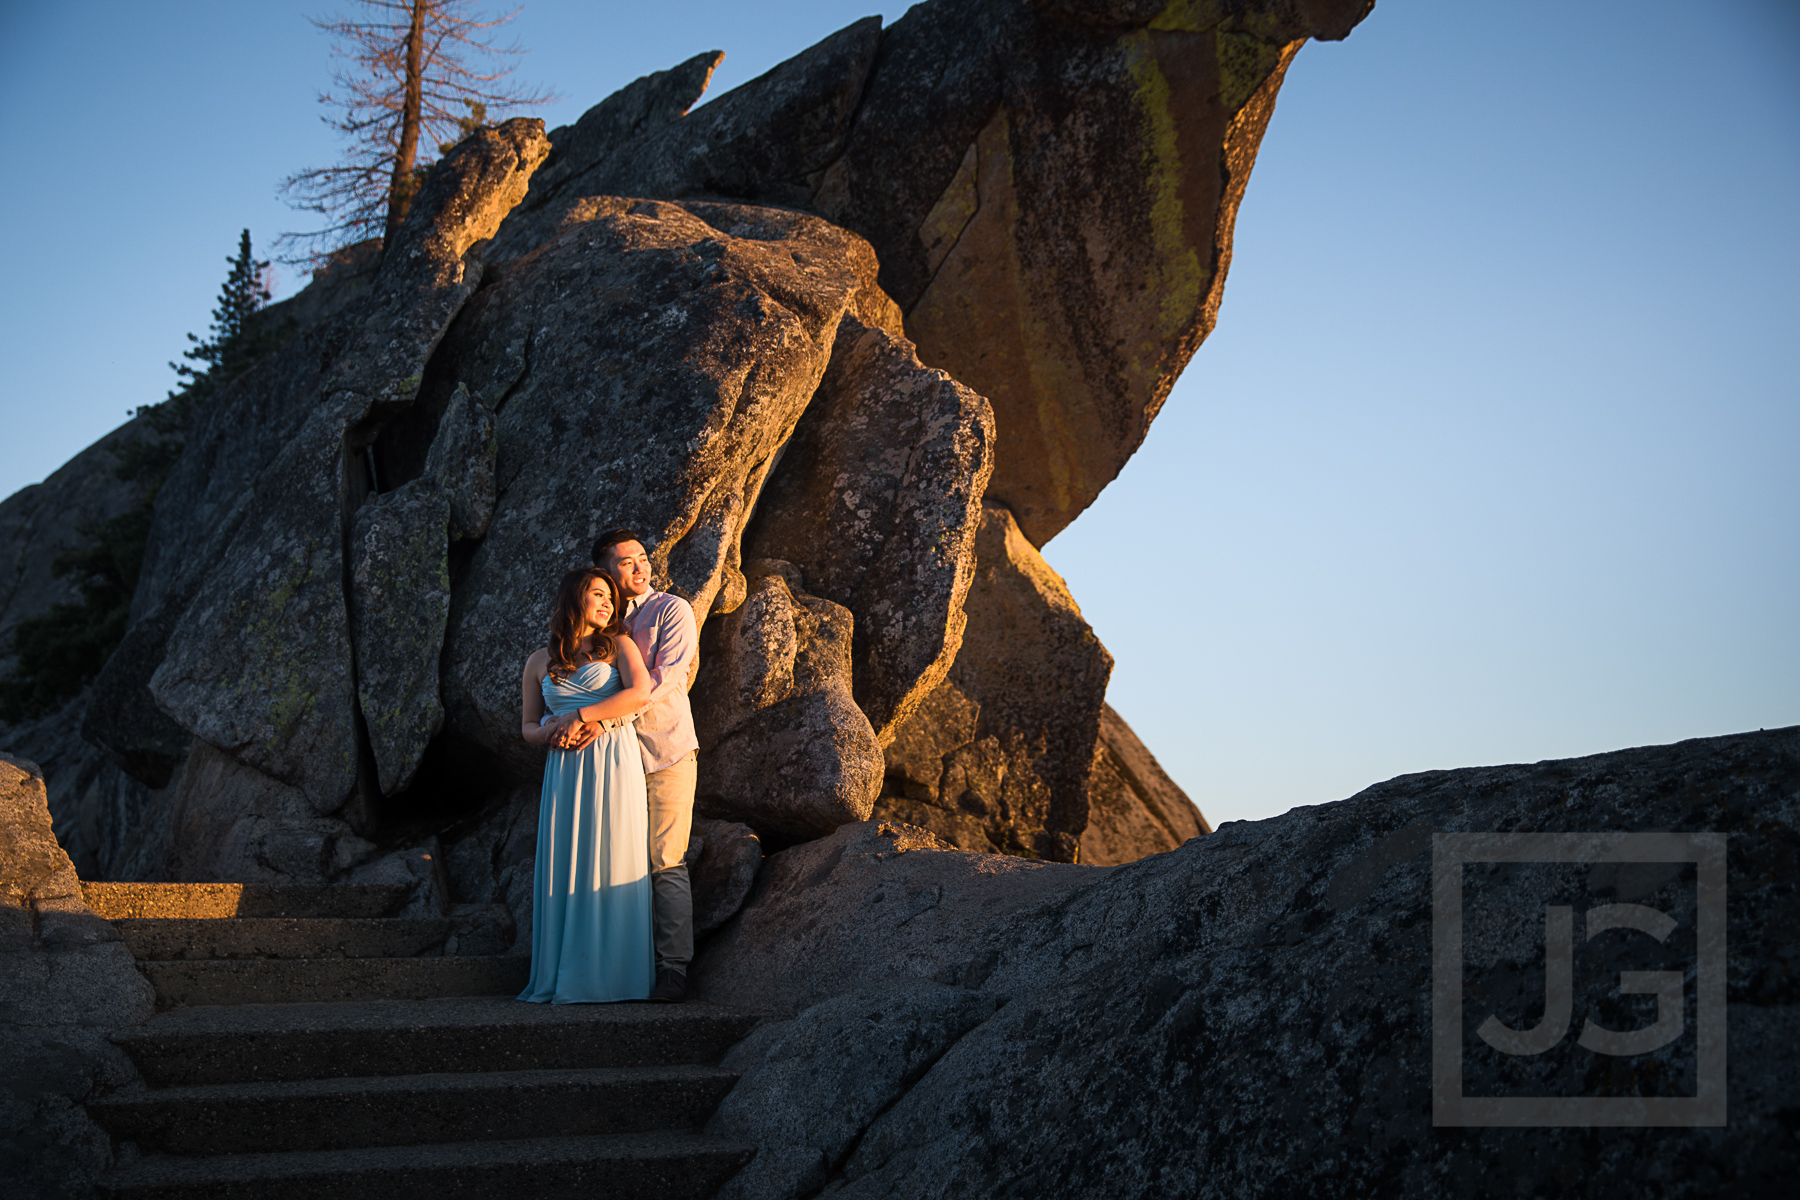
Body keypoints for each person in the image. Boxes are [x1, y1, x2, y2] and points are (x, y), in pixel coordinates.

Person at [516, 567, 654, 1004]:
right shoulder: (540, 660)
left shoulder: (618, 647)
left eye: (611, 598)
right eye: (598, 594)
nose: (608, 603)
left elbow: (640, 693)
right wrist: (551, 731)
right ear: (575, 598)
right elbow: (526, 727)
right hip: (563, 768)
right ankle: (566, 973)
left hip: (612, 759)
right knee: (567, 857)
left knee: (611, 852)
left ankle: (613, 976)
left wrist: (581, 716)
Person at [590, 528, 700, 1003]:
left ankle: (673, 969)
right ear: (606, 571)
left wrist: (599, 719)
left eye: (642, 558)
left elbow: (663, 677)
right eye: (625, 561)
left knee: (664, 861)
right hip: (611, 761)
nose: (639, 566)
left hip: (665, 752)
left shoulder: (671, 609)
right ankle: (619, 966)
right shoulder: (600, 622)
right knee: (615, 861)